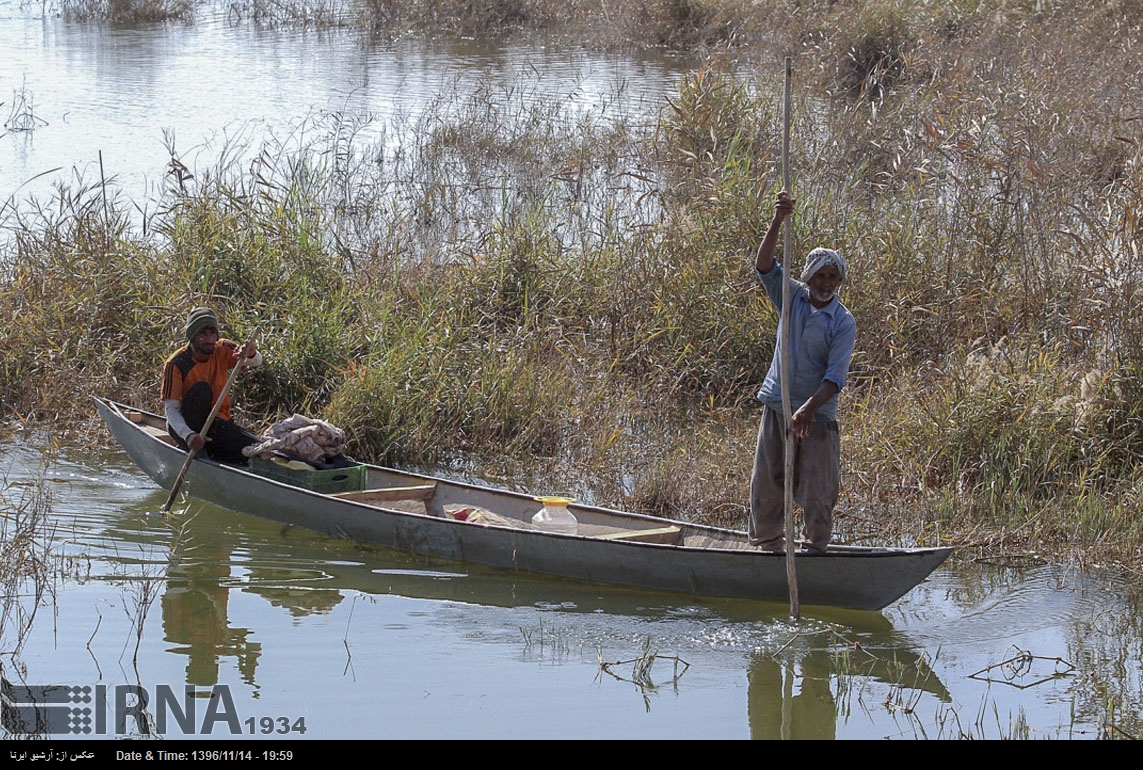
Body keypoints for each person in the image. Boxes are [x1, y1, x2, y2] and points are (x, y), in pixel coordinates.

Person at [749, 191, 856, 553]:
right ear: (808, 276)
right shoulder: (791, 296)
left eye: (833, 277)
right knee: (769, 480)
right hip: (779, 404)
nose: (827, 283)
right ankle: (768, 544)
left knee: (817, 487)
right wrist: (779, 218)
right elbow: (763, 264)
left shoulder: (842, 321)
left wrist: (808, 409)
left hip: (817, 415)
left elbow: (835, 377)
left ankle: (815, 549)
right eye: (821, 276)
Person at [161, 307, 262, 464]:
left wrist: (249, 353)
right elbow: (171, 410)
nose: (209, 340)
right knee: (201, 390)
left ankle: (214, 453)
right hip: (188, 430)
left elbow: (256, 362)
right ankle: (199, 451)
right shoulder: (177, 363)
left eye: (212, 334)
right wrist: (189, 436)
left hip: (218, 426)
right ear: (193, 336)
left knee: (258, 451)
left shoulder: (222, 349)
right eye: (203, 335)